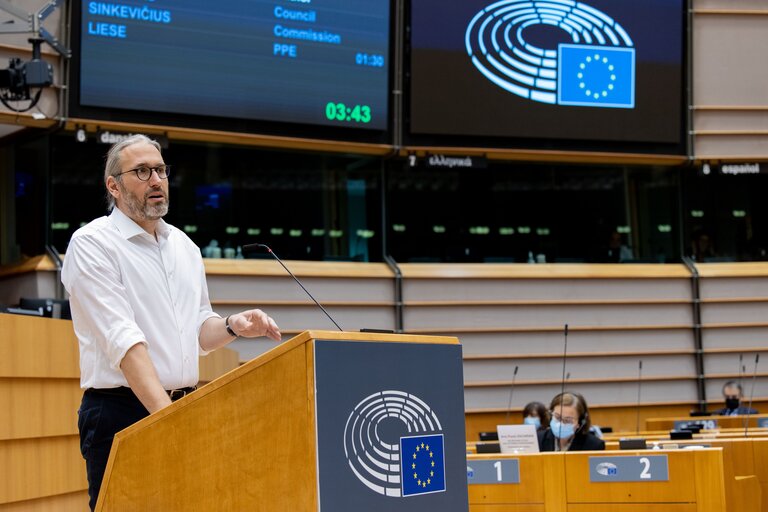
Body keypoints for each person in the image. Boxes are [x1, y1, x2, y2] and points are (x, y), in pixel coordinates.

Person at [61, 134, 282, 511]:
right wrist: (169, 420)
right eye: (142, 171)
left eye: (161, 170)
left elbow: (196, 330)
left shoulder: (184, 246)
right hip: (123, 411)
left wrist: (232, 325)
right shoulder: (92, 244)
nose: (157, 180)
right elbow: (124, 343)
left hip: (182, 406)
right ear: (113, 186)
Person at [537, 392, 605, 452]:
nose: (561, 424)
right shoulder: (538, 440)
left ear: (580, 423)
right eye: (557, 417)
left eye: (568, 420)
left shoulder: (594, 445)